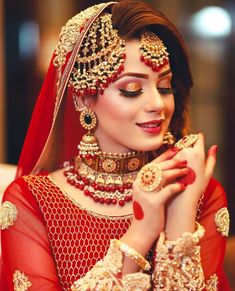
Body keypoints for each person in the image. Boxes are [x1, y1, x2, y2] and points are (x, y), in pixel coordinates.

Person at [0, 0, 231, 290]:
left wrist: (180, 223)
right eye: (131, 90)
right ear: (85, 98)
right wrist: (142, 229)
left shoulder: (200, 195)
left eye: (164, 87)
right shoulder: (34, 202)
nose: (157, 104)